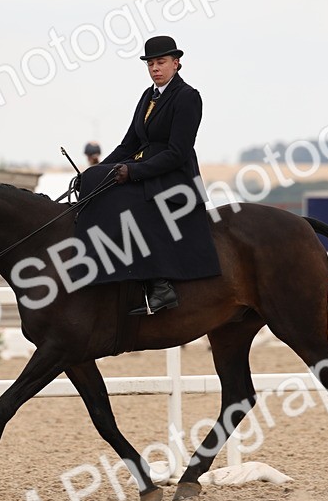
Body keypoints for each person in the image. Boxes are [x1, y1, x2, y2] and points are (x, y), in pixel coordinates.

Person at [76, 35, 220, 315]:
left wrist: (133, 171)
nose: (155, 68)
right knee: (95, 183)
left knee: (125, 204)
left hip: (174, 178)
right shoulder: (148, 96)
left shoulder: (188, 97)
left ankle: (160, 286)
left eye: (161, 62)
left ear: (176, 63)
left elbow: (178, 152)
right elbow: (128, 144)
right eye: (151, 63)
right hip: (146, 172)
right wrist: (96, 171)